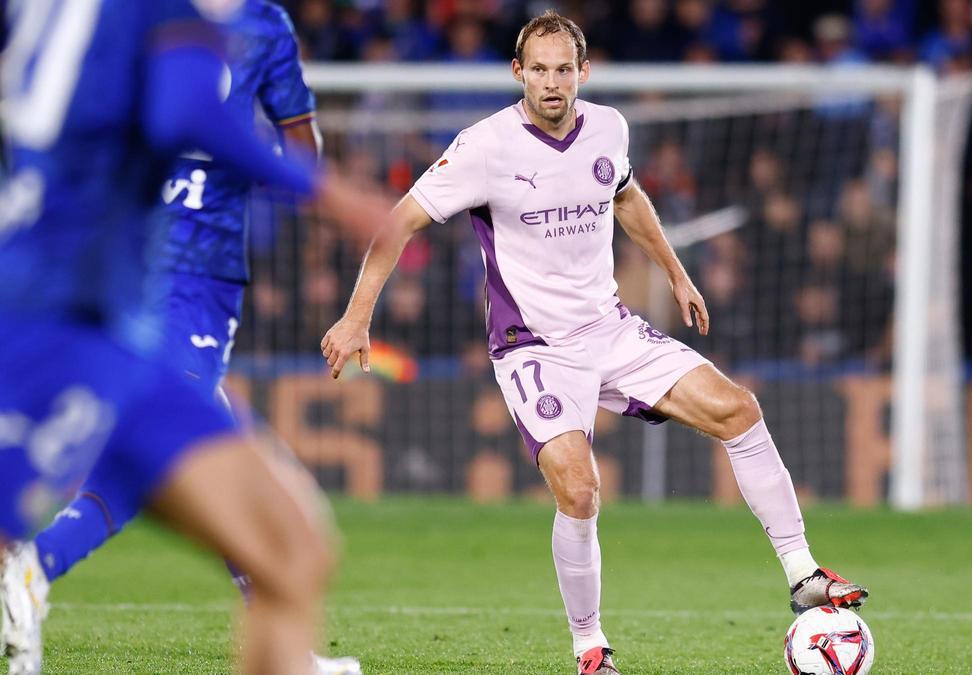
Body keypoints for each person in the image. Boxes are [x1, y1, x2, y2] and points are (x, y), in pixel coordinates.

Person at [321, 11, 868, 675]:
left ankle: (803, 573)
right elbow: (398, 222)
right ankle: (589, 645)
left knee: (738, 409)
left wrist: (675, 272)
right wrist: (357, 317)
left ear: (584, 71)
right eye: (539, 70)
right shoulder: (484, 147)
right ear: (518, 72)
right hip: (533, 347)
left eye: (564, 70)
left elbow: (626, 196)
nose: (552, 83)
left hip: (609, 329)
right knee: (580, 490)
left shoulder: (609, 127)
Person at [0, 1, 391, 673]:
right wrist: (329, 193)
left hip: (112, 327)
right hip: (58, 317)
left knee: (292, 547)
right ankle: (31, 570)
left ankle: (32, 568)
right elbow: (184, 109)